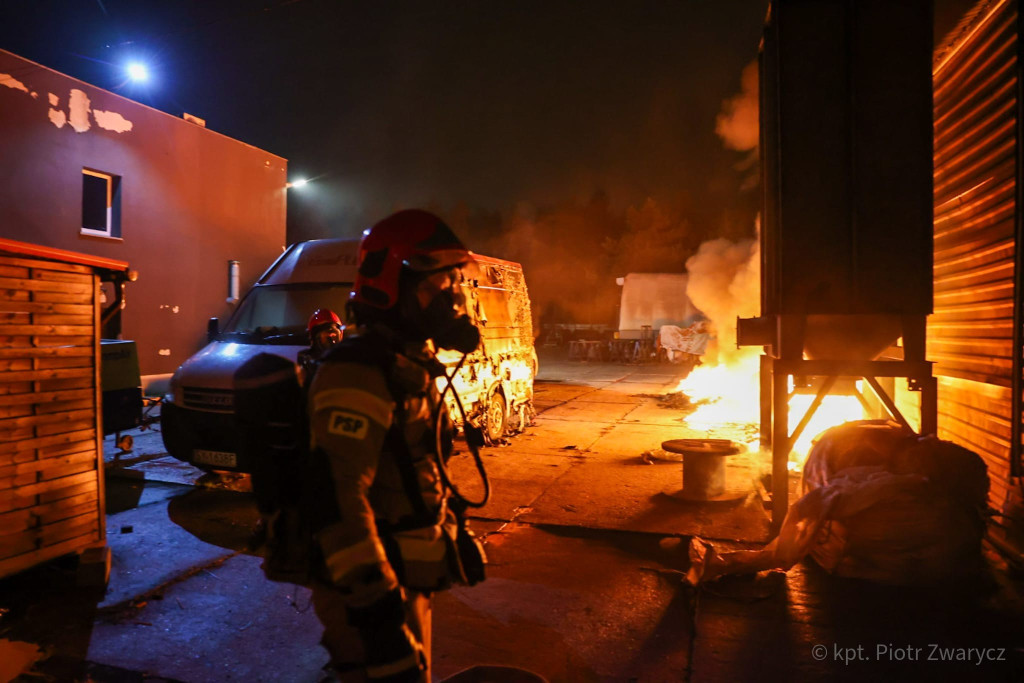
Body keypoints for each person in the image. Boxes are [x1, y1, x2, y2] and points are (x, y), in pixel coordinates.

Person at [304, 209, 483, 682]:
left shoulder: (406, 364)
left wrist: (449, 528)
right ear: (393, 287)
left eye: (452, 285)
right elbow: (335, 499)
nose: (451, 300)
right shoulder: (358, 373)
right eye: (436, 287)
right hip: (370, 600)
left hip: (404, 580)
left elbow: (412, 466)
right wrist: (377, 618)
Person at [297, 308, 344, 378]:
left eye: (334, 334)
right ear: (314, 338)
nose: (331, 339)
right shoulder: (308, 362)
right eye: (325, 334)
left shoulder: (347, 356)